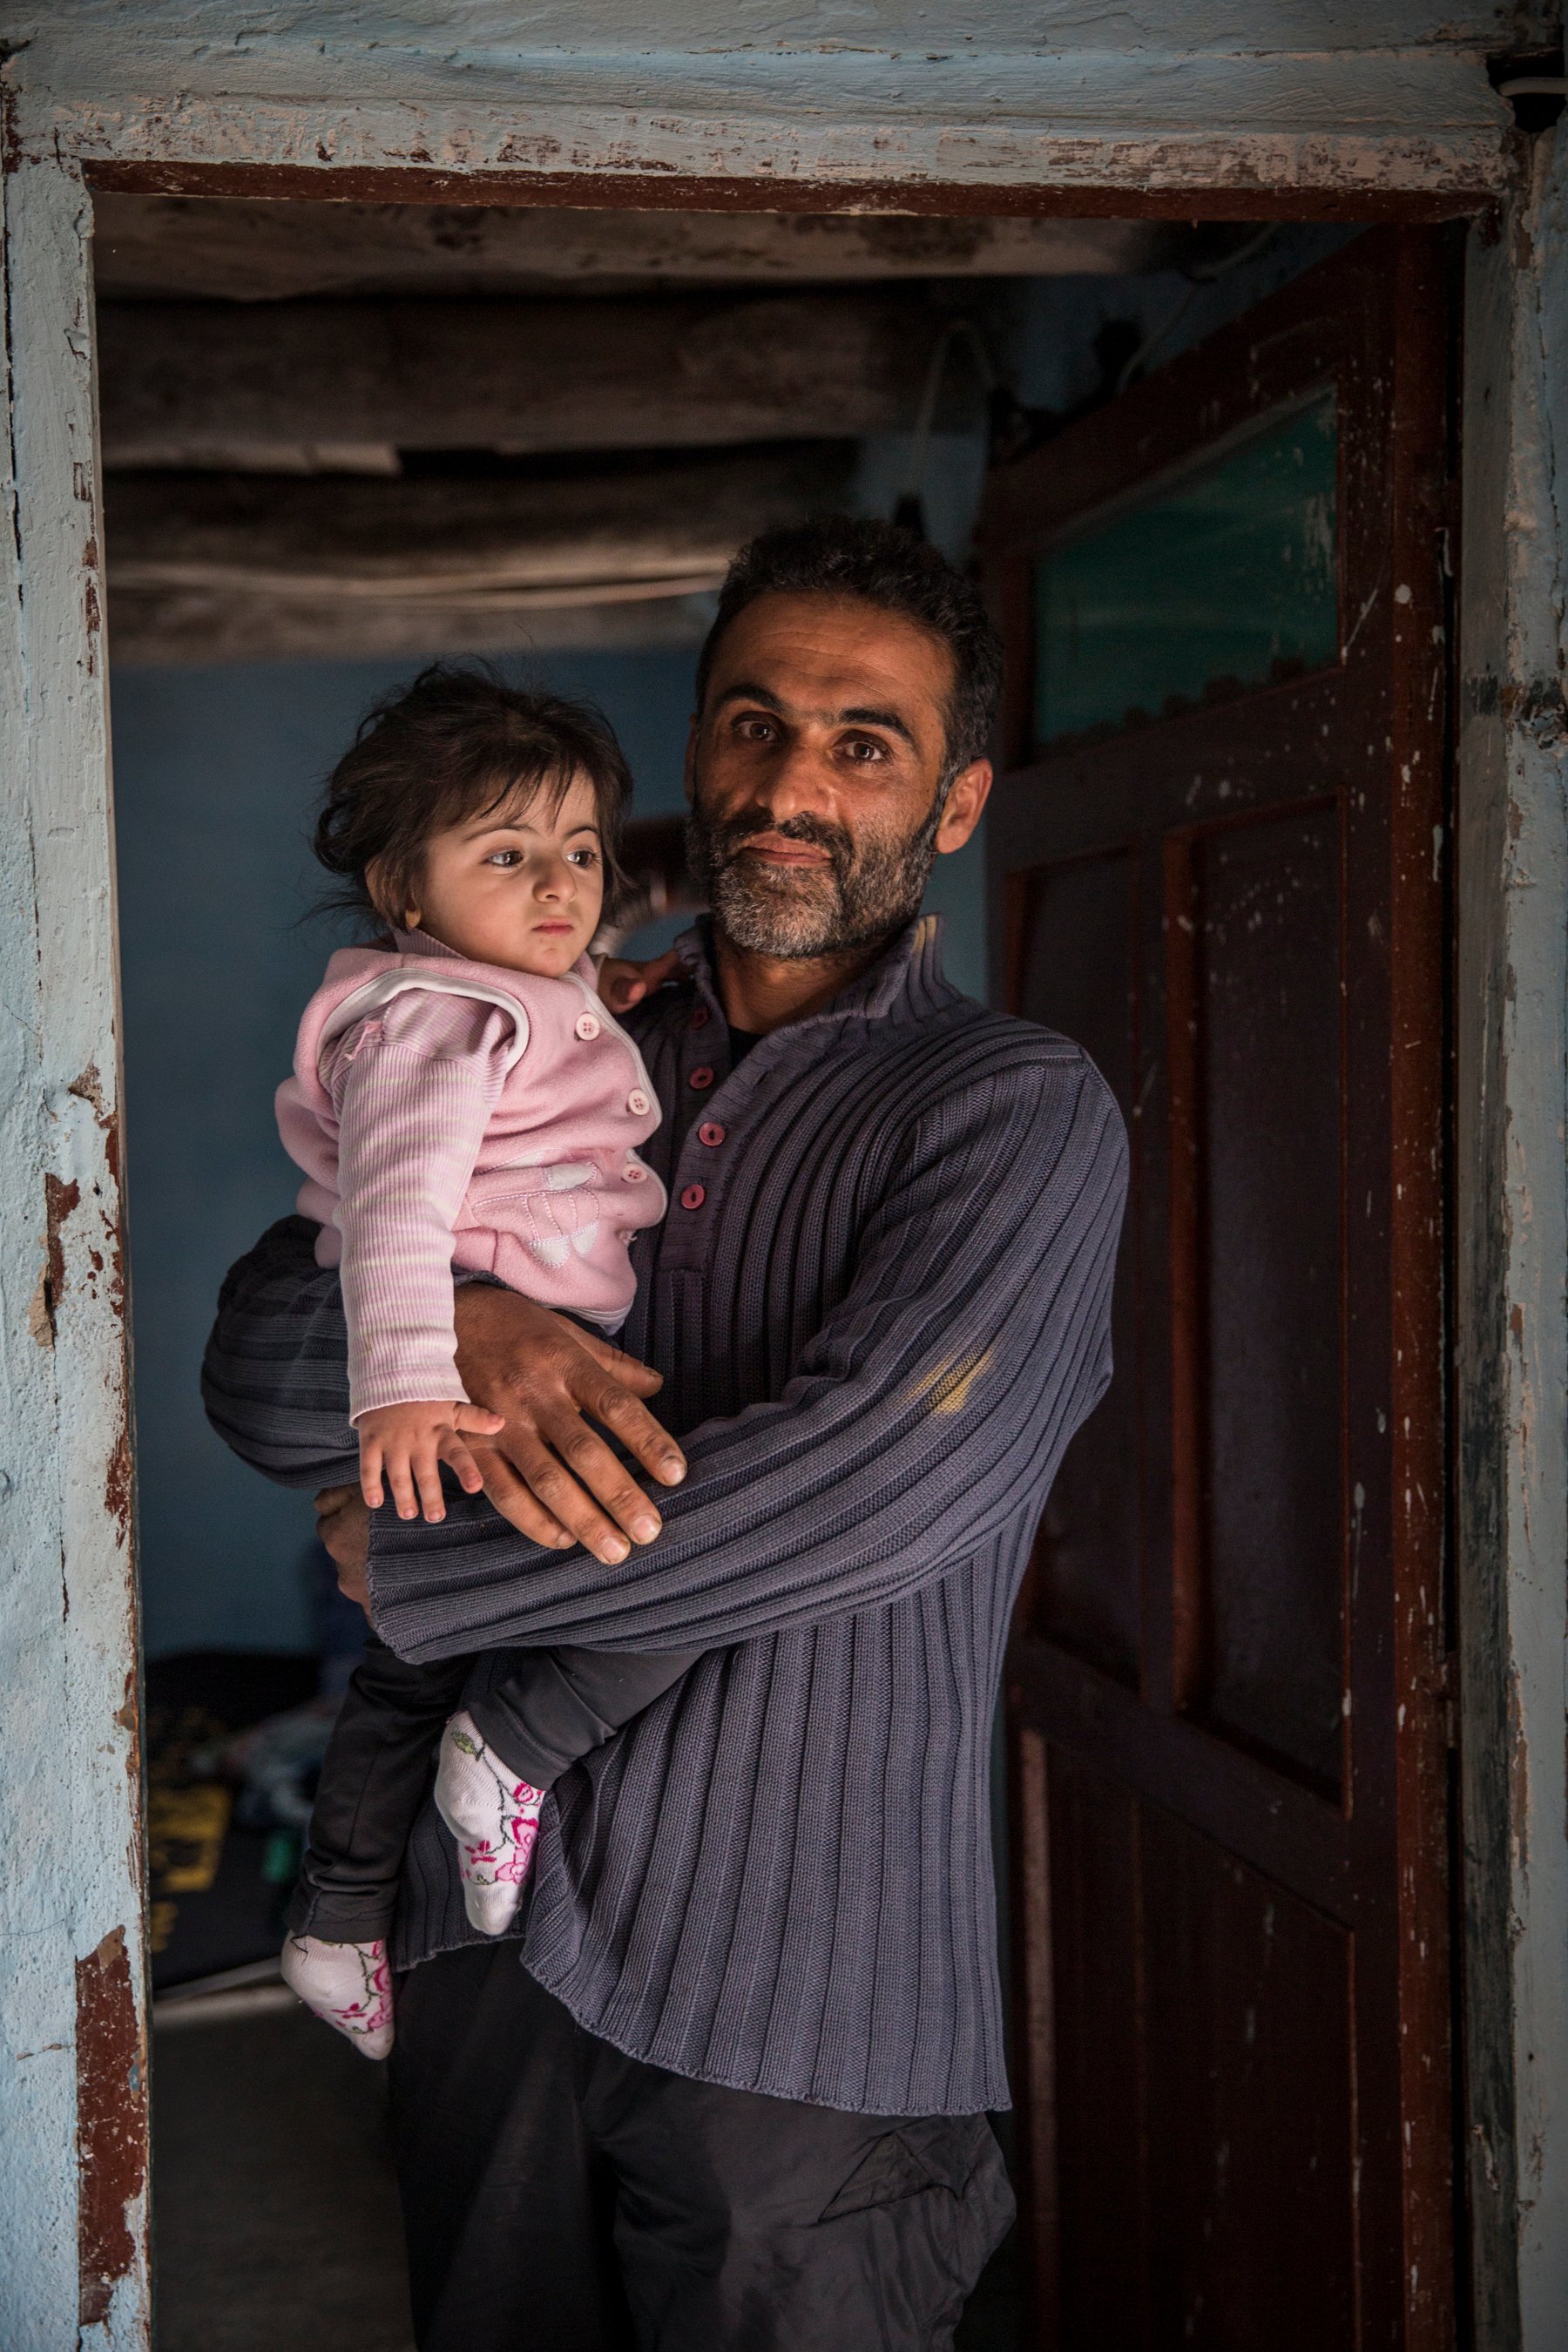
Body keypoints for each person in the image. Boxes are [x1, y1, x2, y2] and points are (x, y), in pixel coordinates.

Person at [204, 517, 1128, 2352]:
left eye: (865, 743)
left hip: (809, 2006)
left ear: (954, 804)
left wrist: (428, 1557)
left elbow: (876, 1478)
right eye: (752, 723)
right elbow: (255, 1374)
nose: (791, 783)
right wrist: (462, 1321)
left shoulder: (1008, 1107)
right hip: (489, 1961)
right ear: (697, 748)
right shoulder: (553, 1038)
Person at [268, 672, 704, 2056]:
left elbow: (556, 1020)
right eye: (507, 856)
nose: (561, 882)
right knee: (684, 1557)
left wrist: (600, 989)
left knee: (407, 1647)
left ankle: (338, 1920)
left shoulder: (508, 989)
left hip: (495, 1363)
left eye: (581, 851)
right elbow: (394, 1205)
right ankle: (514, 1747)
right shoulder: (436, 1022)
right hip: (466, 1379)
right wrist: (404, 1379)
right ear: (405, 886)